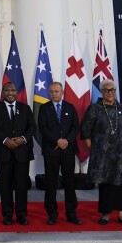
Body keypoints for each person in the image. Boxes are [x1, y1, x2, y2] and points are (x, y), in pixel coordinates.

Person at [80, 79, 122, 225]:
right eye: (106, 90)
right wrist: (93, 148)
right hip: (103, 155)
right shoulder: (94, 108)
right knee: (106, 184)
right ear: (102, 92)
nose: (110, 93)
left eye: (112, 90)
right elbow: (85, 130)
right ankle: (106, 213)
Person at [0, 81, 35, 226]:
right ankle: (7, 215)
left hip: (22, 153)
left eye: (13, 90)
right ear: (3, 92)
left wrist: (23, 139)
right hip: (3, 152)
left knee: (21, 185)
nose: (10, 93)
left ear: (17, 92)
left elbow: (32, 127)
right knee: (5, 185)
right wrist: (5, 140)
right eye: (7, 90)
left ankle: (22, 215)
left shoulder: (25, 108)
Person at [38, 82, 83, 225]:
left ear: (62, 92)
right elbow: (42, 128)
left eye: (56, 91)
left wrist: (66, 141)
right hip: (52, 150)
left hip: (68, 150)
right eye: (51, 91)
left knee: (69, 182)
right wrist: (57, 141)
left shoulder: (70, 107)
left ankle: (71, 213)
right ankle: (52, 214)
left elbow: (76, 127)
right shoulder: (44, 108)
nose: (54, 94)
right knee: (51, 183)